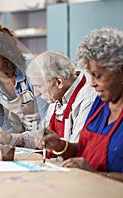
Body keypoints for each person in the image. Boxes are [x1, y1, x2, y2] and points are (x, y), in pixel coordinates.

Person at [40, 27, 123, 181]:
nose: (92, 84)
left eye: (98, 76)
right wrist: (60, 146)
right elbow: (86, 150)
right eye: (90, 75)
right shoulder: (100, 104)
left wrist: (98, 175)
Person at [0, 51, 96, 149]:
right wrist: (8, 138)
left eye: (38, 86)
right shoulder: (58, 95)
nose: (36, 93)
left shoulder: (87, 100)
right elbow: (41, 135)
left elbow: (77, 149)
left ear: (59, 82)